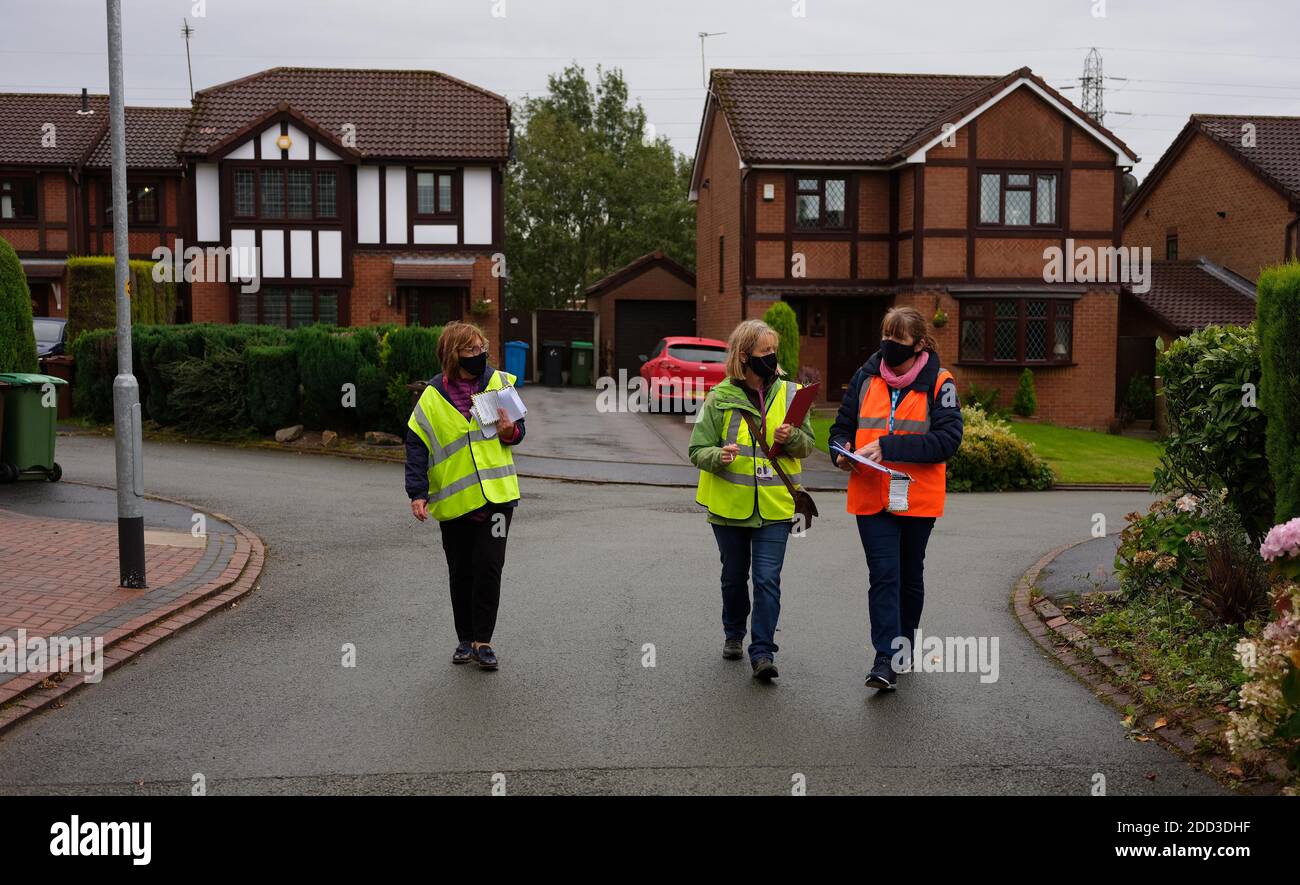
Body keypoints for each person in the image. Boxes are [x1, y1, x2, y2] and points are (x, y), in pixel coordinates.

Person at [829, 306, 963, 692]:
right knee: (884, 575)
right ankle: (885, 658)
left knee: (909, 575)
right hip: (871, 495)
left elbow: (947, 441)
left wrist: (887, 445)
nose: (888, 347)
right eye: (885, 338)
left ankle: (904, 646)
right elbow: (841, 428)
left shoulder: (940, 382)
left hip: (917, 498)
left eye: (898, 342)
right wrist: (840, 450)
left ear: (920, 344)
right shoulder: (864, 376)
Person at [689, 319, 816, 681]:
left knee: (766, 580)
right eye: (764, 352)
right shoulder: (718, 399)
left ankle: (762, 652)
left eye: (774, 351)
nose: (772, 358)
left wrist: (791, 438)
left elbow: (807, 446)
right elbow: (697, 449)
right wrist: (718, 456)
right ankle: (733, 632)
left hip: (777, 507)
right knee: (733, 577)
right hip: (729, 508)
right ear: (744, 356)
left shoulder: (792, 393)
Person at [405, 321, 524, 672]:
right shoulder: (431, 397)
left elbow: (519, 432)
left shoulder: (498, 384)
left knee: (488, 568)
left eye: (481, 347)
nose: (479, 354)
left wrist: (509, 431)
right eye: (470, 350)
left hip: (497, 498)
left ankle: (483, 642)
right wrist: (417, 492)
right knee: (461, 571)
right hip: (455, 501)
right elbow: (416, 446)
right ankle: (464, 638)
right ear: (451, 354)